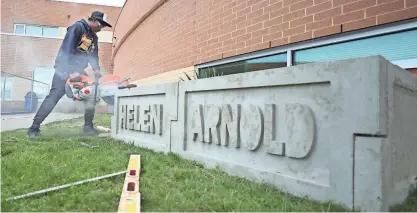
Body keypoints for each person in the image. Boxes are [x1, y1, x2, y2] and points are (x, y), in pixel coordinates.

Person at [27, 11, 112, 138]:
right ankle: (34, 128)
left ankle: (88, 128)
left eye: (103, 26)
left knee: (92, 94)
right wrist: (71, 71)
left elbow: (93, 55)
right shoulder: (77, 27)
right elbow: (67, 48)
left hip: (79, 71)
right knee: (54, 97)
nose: (101, 28)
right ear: (93, 20)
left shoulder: (93, 37)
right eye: (100, 25)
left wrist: (96, 69)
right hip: (64, 69)